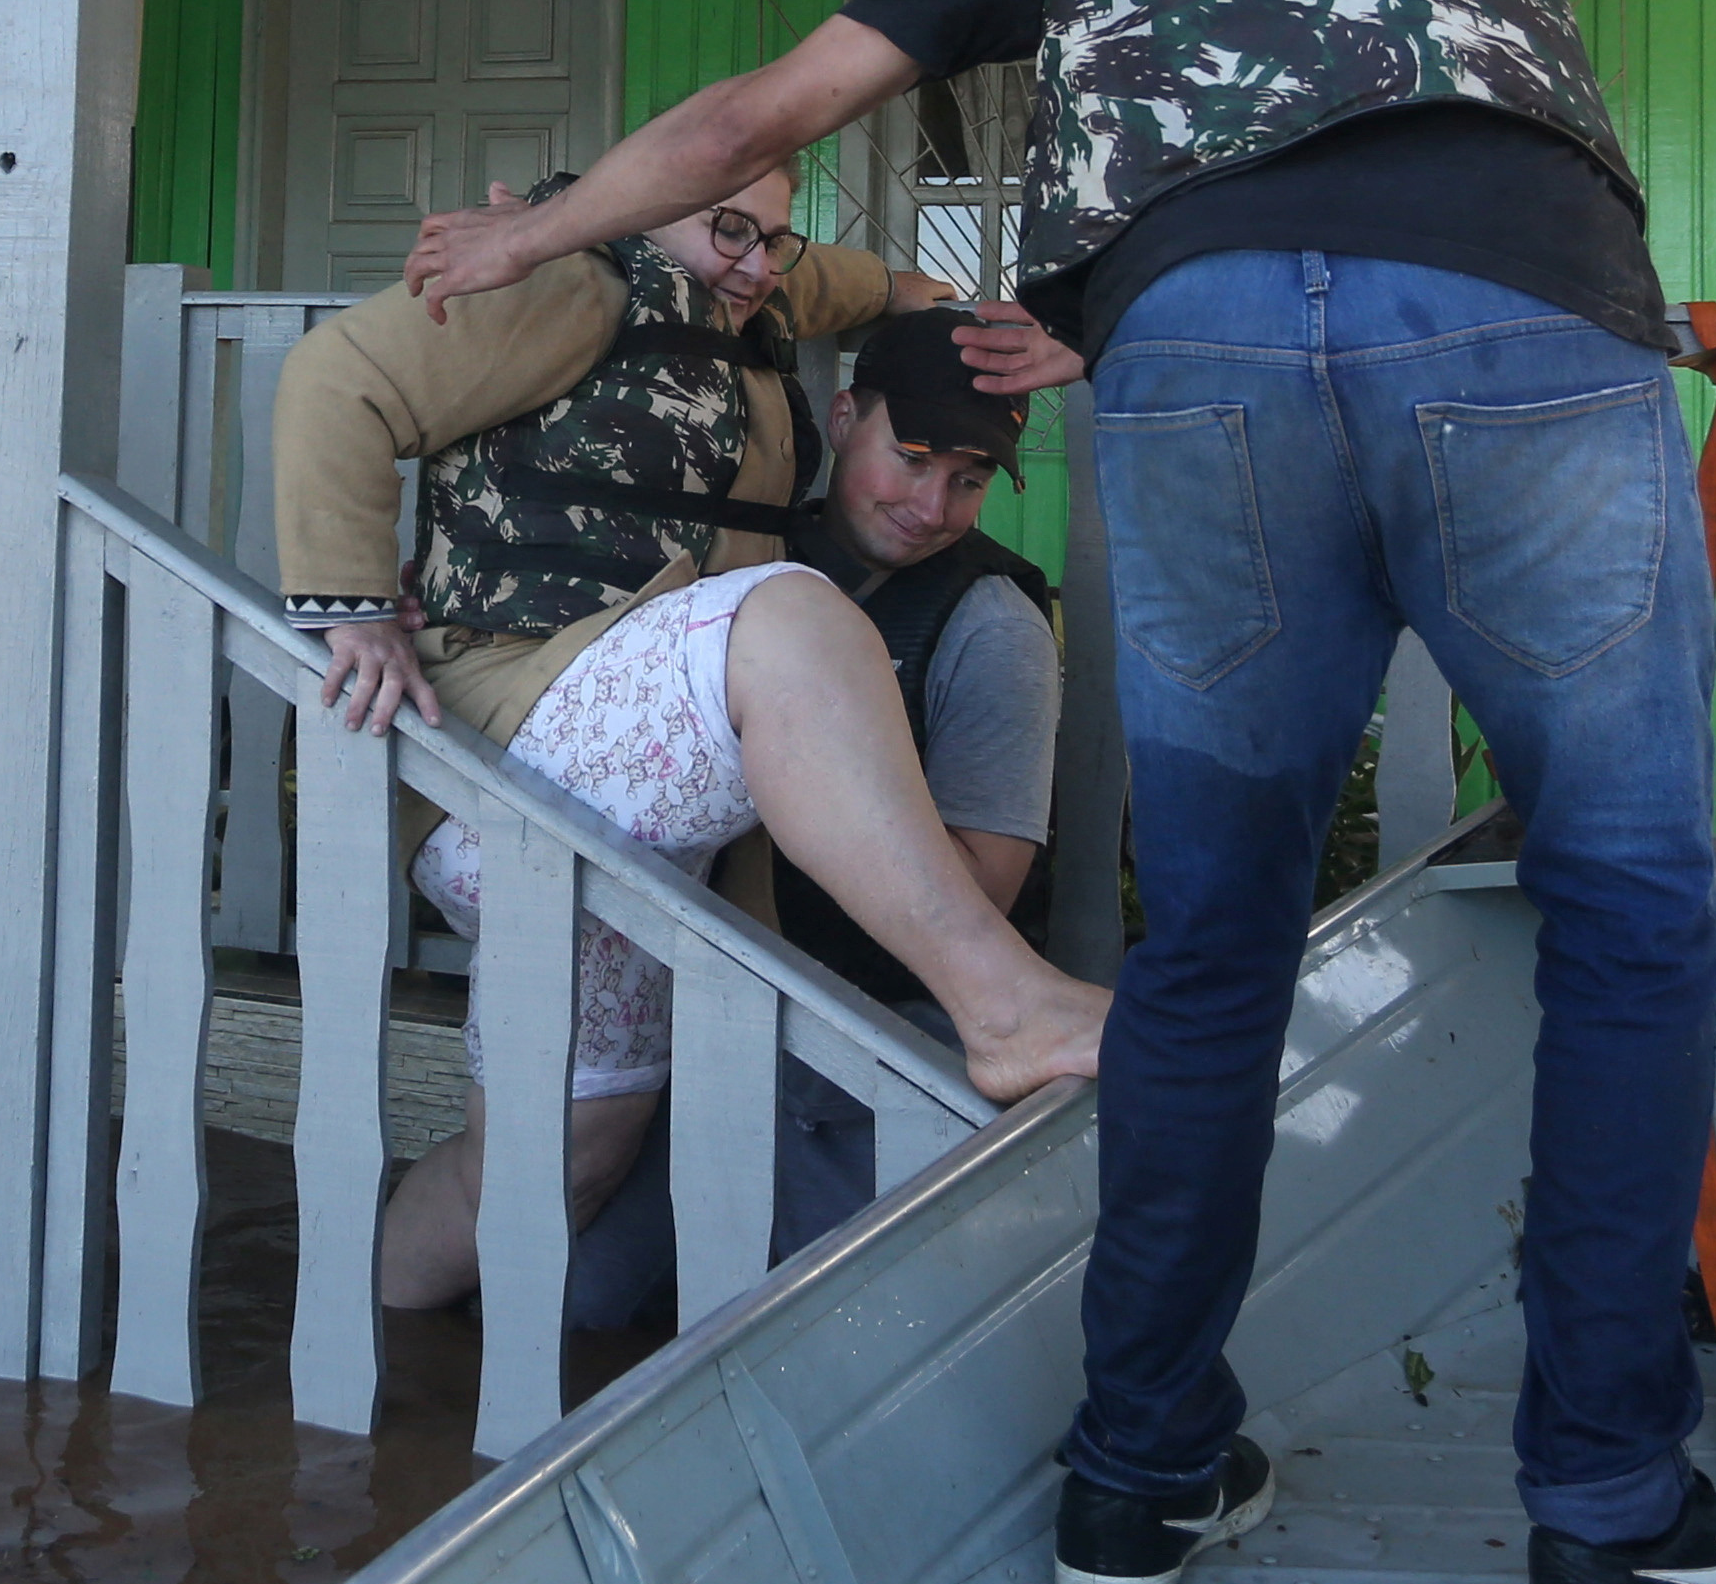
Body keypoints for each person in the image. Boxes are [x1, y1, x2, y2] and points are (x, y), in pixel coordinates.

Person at [404, 0, 1716, 1584]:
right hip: (1521, 320)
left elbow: (762, 115)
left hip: (1206, 363)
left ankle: (1139, 1476)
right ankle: (1613, 1527)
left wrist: (530, 236)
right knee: (1626, 901)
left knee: (1214, 936)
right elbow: (1402, 110)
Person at [272, 168, 1110, 1314]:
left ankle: (350, 1325)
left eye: (772, 236)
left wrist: (924, 291)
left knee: (553, 1170)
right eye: (729, 229)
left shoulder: (745, 286)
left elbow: (830, 277)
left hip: (620, 841)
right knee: (794, 614)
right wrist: (351, 601)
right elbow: (338, 378)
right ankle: (1003, 1005)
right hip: (513, 761)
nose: (759, 262)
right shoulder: (575, 278)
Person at [561, 305, 1065, 1325]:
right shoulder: (725, 553)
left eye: (968, 479)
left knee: (849, 1330)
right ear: (844, 420)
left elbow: (986, 892)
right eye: (913, 458)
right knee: (569, 1308)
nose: (932, 504)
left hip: (860, 1035)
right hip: (673, 1012)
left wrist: (818, 783)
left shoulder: (992, 625)